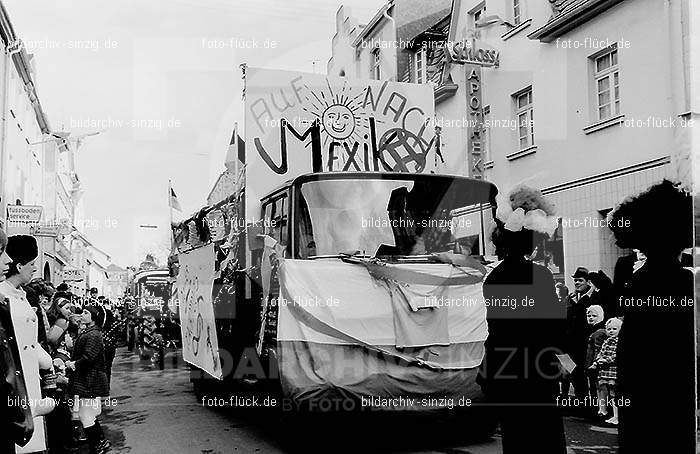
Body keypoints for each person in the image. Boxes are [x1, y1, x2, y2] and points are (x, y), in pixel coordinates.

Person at [607, 180, 695, 452]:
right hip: (675, 389)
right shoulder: (684, 281)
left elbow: (633, 347)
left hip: (643, 391)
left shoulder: (642, 280)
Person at [479, 185, 566, 453]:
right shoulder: (539, 275)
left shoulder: (493, 278)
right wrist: (565, 363)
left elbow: (500, 326)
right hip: (536, 370)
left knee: (516, 437)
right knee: (544, 437)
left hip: (505, 368)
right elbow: (551, 327)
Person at [0, 235, 56, 453]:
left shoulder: (23, 295)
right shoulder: (3, 296)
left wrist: (47, 360)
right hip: (16, 383)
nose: (34, 269)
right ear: (19, 265)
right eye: (32, 264)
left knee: (33, 443)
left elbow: (31, 342)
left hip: (31, 378)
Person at [0, 228, 35, 452]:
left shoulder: (19, 294)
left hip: (24, 378)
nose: (8, 260)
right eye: (1, 252)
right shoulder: (3, 296)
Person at [66, 305, 111, 454]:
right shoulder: (91, 332)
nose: (82, 314)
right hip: (88, 378)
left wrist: (74, 364)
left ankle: (97, 446)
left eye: (86, 313)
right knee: (88, 414)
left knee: (85, 414)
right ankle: (100, 442)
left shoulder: (93, 334)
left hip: (90, 379)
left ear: (94, 317)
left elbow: (89, 357)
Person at [589, 317, 622, 425]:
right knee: (608, 391)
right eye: (609, 329)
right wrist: (596, 362)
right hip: (605, 370)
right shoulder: (606, 341)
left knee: (614, 393)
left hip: (613, 370)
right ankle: (613, 414)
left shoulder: (617, 342)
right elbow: (601, 353)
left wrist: (605, 360)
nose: (611, 331)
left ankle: (617, 416)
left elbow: (615, 356)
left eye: (614, 329)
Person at [583, 305, 607, 419]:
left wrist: (595, 363)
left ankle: (601, 410)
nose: (591, 318)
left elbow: (599, 349)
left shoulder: (600, 331)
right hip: (590, 362)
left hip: (596, 363)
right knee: (594, 386)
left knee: (599, 387)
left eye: (594, 316)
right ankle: (598, 409)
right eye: (589, 315)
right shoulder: (590, 328)